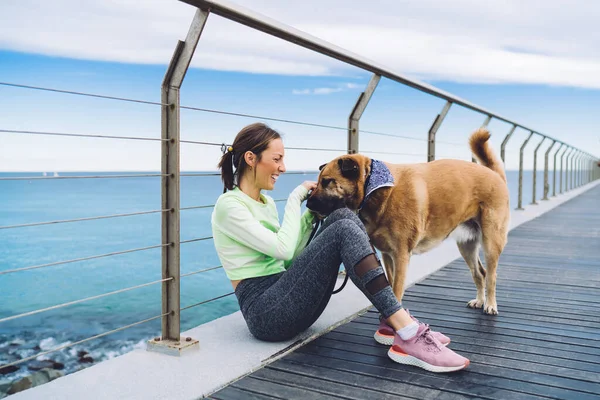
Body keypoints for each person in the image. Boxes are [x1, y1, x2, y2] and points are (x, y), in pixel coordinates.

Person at [211, 122, 470, 373]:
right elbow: (283, 250)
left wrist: (311, 215)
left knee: (343, 216)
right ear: (250, 158)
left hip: (286, 296)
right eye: (277, 159)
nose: (283, 167)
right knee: (344, 227)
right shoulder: (229, 206)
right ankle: (407, 331)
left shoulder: (264, 202)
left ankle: (395, 324)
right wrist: (295, 199)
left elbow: (290, 262)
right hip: (266, 315)